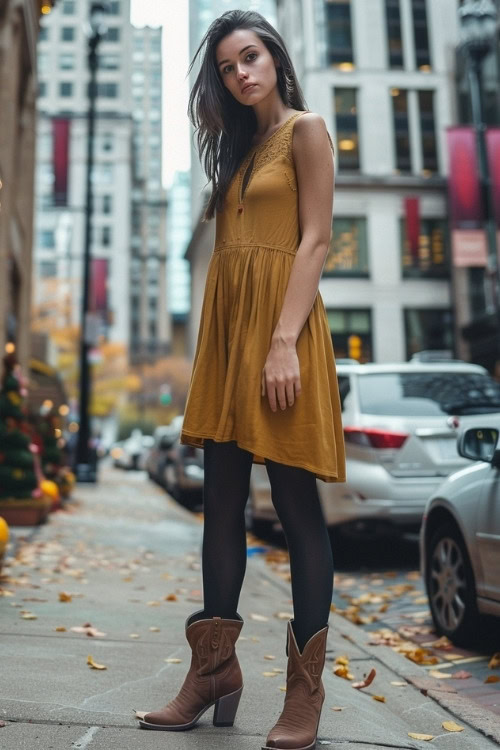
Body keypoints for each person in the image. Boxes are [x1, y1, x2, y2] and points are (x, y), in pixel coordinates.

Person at [135, 10, 346, 749]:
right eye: (226, 67)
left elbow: (315, 239)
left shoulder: (308, 131)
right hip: (230, 343)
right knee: (219, 505)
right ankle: (213, 673)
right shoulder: (237, 148)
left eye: (249, 57)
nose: (240, 74)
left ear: (275, 58)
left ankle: (305, 695)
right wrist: (228, 346)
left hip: (282, 336)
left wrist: (283, 340)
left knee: (296, 511)